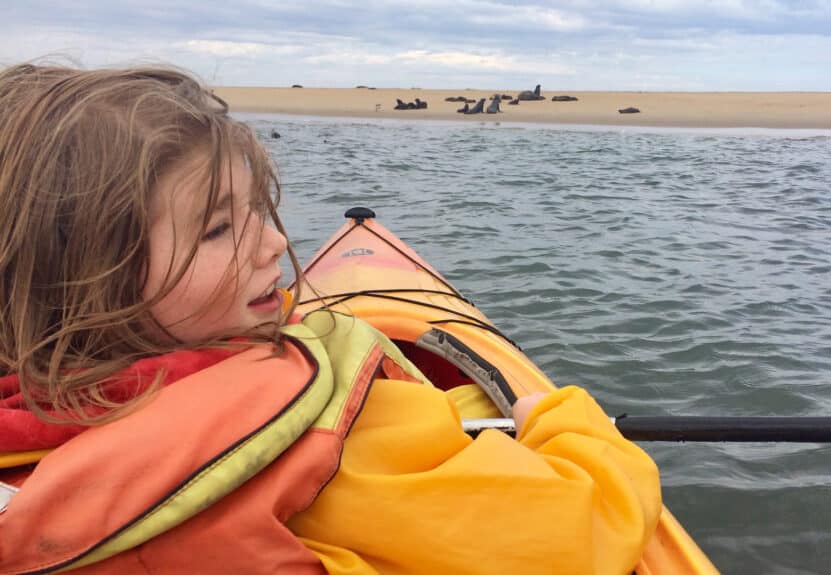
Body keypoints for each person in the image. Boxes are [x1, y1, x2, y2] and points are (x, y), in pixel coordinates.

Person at [0, 64, 661, 574]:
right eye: (218, 229)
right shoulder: (324, 445)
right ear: (84, 279)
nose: (271, 244)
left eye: (259, 211)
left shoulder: (23, 454)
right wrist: (567, 423)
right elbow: (580, 530)